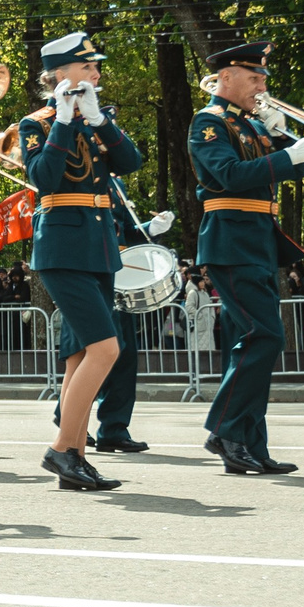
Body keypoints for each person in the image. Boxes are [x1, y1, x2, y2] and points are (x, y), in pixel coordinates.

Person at [187, 41, 304, 475]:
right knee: (264, 337)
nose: (262, 85)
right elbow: (227, 175)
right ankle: (226, 429)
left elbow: (295, 169)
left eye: (263, 78)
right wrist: (285, 153)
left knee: (251, 343)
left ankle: (249, 445)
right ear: (226, 77)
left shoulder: (251, 125)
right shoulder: (209, 123)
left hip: (259, 241)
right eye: (254, 77)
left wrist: (283, 136)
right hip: (231, 241)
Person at [20, 32, 143, 491]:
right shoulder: (36, 122)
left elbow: (130, 162)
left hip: (99, 246)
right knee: (106, 349)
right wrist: (66, 121)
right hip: (62, 247)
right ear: (60, 73)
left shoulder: (99, 119)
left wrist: (99, 122)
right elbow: (43, 177)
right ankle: (61, 450)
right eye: (87, 67)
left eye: (94, 68)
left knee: (80, 355)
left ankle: (75, 456)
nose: (96, 74)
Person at [85, 176, 175, 453]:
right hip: (89, 267)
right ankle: (68, 417)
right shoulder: (79, 170)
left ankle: (114, 427)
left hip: (119, 273)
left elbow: (124, 230)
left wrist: (151, 227)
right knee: (95, 350)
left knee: (124, 354)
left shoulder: (116, 183)